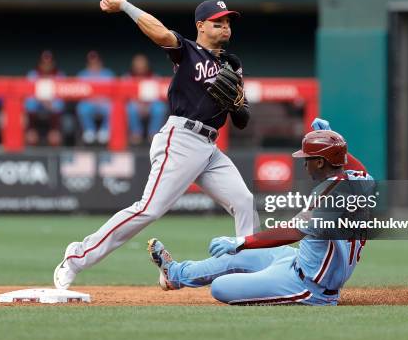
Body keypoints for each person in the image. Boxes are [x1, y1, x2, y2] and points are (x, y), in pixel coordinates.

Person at [53, 0, 257, 290]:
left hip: (209, 147)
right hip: (181, 139)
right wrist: (124, 6)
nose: (225, 27)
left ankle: (248, 271)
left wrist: (237, 104)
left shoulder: (232, 64)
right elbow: (160, 33)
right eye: (218, 22)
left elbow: (242, 119)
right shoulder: (187, 50)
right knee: (148, 208)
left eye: (228, 22)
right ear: (201, 26)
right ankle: (77, 256)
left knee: (244, 201)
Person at [147, 118, 375, 306]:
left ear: (320, 162)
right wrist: (334, 144)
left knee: (220, 288)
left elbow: (292, 232)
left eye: (308, 159)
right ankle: (174, 274)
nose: (304, 164)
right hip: (297, 261)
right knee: (237, 257)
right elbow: (360, 169)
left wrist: (242, 241)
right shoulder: (358, 181)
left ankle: (263, 283)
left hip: (309, 286)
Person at [25, 50, 65, 146]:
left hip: (52, 113)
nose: (46, 65)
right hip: (35, 113)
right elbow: (27, 102)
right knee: (30, 106)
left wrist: (49, 103)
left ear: (53, 63)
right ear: (40, 63)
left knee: (54, 138)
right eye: (44, 63)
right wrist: (42, 101)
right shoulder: (32, 75)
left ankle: (54, 155)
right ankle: (30, 156)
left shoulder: (59, 76)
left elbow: (61, 102)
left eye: (49, 63)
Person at [125, 53, 167, 144]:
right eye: (137, 65)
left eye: (142, 65)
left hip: (150, 105)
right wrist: (138, 104)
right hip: (135, 105)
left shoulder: (155, 77)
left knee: (159, 107)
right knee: (130, 108)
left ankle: (153, 134)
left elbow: (158, 96)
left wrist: (147, 104)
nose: (140, 68)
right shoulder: (127, 78)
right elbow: (126, 97)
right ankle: (136, 134)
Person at [75, 51, 115, 145]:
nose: (94, 65)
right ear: (88, 64)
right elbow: (78, 93)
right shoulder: (82, 75)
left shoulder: (108, 74)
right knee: (82, 107)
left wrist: (103, 99)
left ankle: (105, 130)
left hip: (104, 103)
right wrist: (92, 99)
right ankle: (89, 131)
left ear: (100, 63)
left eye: (96, 62)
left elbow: (113, 93)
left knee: (112, 107)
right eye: (91, 63)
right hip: (89, 103)